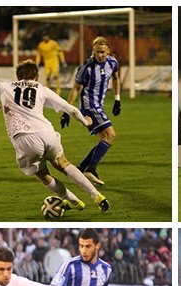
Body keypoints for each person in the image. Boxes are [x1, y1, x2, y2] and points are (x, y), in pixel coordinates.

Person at [0, 60, 110, 213]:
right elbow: (70, 109)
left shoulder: (4, 87)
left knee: (43, 174)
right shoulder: (42, 89)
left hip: (24, 138)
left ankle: (75, 202)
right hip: (47, 133)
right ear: (37, 76)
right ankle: (96, 195)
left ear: (17, 76)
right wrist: (85, 122)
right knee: (63, 164)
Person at [62, 36, 121, 186]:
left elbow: (116, 78)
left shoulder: (113, 63)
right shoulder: (87, 67)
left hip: (99, 105)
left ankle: (80, 169)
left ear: (108, 51)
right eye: (97, 52)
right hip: (89, 106)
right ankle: (91, 169)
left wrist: (117, 99)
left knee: (103, 139)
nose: (99, 55)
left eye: (102, 52)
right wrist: (67, 110)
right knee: (111, 135)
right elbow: (75, 89)